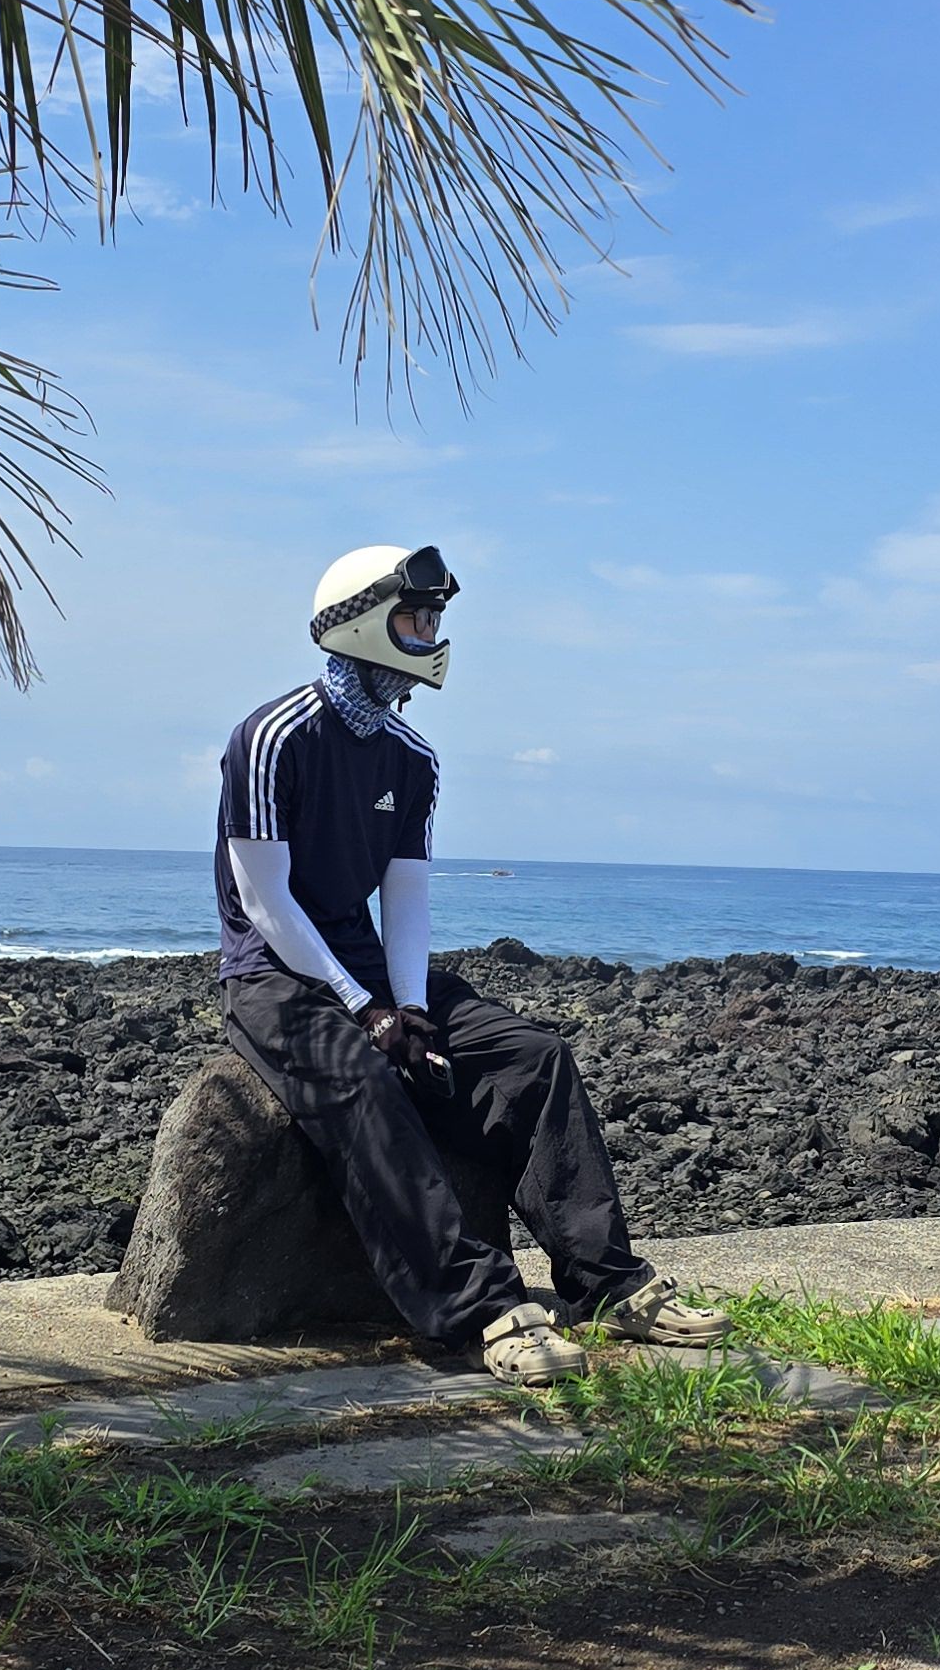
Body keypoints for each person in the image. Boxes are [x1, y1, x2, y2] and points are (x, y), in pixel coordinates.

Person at [214, 543, 732, 1384]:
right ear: (361, 623)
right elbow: (265, 900)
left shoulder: (412, 759)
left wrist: (409, 1006)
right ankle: (484, 1311)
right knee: (367, 1086)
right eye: (416, 619)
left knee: (535, 1058)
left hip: (370, 969)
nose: (431, 636)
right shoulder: (272, 737)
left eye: (435, 620)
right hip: (273, 976)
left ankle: (607, 1283)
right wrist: (363, 1010)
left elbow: (406, 900)